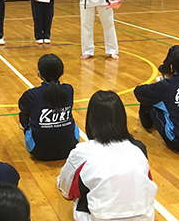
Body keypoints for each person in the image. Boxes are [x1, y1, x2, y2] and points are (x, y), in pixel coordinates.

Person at [57, 91, 157, 221]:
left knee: (82, 194)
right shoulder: (139, 148)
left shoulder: (83, 152)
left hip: (100, 218)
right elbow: (147, 181)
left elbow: (67, 189)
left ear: (91, 120)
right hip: (145, 218)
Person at [18, 54, 79, 161]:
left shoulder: (31, 94)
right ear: (62, 72)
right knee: (73, 121)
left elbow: (23, 110)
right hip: (70, 149)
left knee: (25, 117)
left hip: (39, 151)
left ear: (39, 74)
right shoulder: (69, 89)